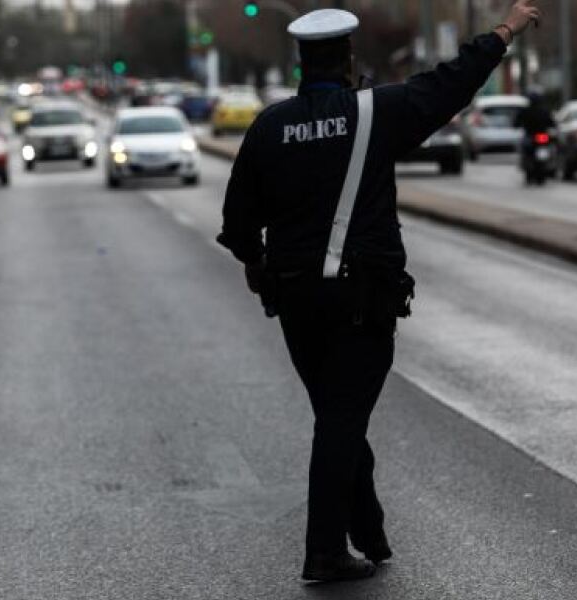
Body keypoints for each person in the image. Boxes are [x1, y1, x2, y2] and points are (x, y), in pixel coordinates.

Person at [218, 0, 541, 583]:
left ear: (300, 62)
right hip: (360, 302)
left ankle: (367, 532)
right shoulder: (375, 114)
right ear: (346, 57)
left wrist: (256, 263)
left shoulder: (269, 127)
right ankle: (324, 550)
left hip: (295, 304)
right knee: (342, 418)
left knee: (338, 413)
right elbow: (450, 85)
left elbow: (238, 222)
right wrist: (504, 31)